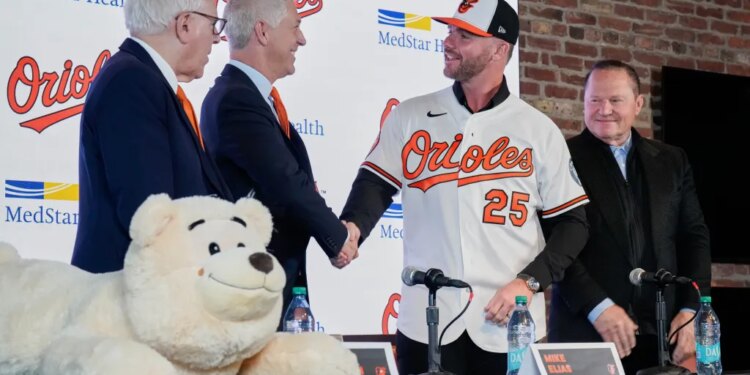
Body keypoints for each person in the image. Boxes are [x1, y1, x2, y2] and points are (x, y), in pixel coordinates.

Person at [340, 1, 589, 373]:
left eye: (465, 35)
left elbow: (573, 224)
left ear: (500, 50)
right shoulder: (410, 116)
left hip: (508, 323)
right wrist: (351, 230)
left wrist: (530, 281)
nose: (449, 41)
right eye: (449, 30)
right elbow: (375, 184)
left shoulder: (537, 130)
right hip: (426, 321)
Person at [547, 60, 712, 374]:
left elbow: (695, 237)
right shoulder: (558, 158)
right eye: (594, 100)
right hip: (586, 331)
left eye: (615, 100)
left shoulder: (672, 160)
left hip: (664, 339)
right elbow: (554, 244)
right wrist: (599, 307)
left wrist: (693, 307)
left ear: (638, 104)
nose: (603, 109)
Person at [200, 0, 358, 324]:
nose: (301, 40)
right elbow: (285, 182)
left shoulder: (254, 99)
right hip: (252, 292)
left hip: (272, 287)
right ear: (263, 31)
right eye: (295, 27)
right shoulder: (236, 99)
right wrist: (337, 237)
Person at [72, 0, 232, 273]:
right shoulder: (132, 82)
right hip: (128, 301)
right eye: (213, 24)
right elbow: (150, 214)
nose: (217, 38)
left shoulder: (143, 80)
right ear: (184, 25)